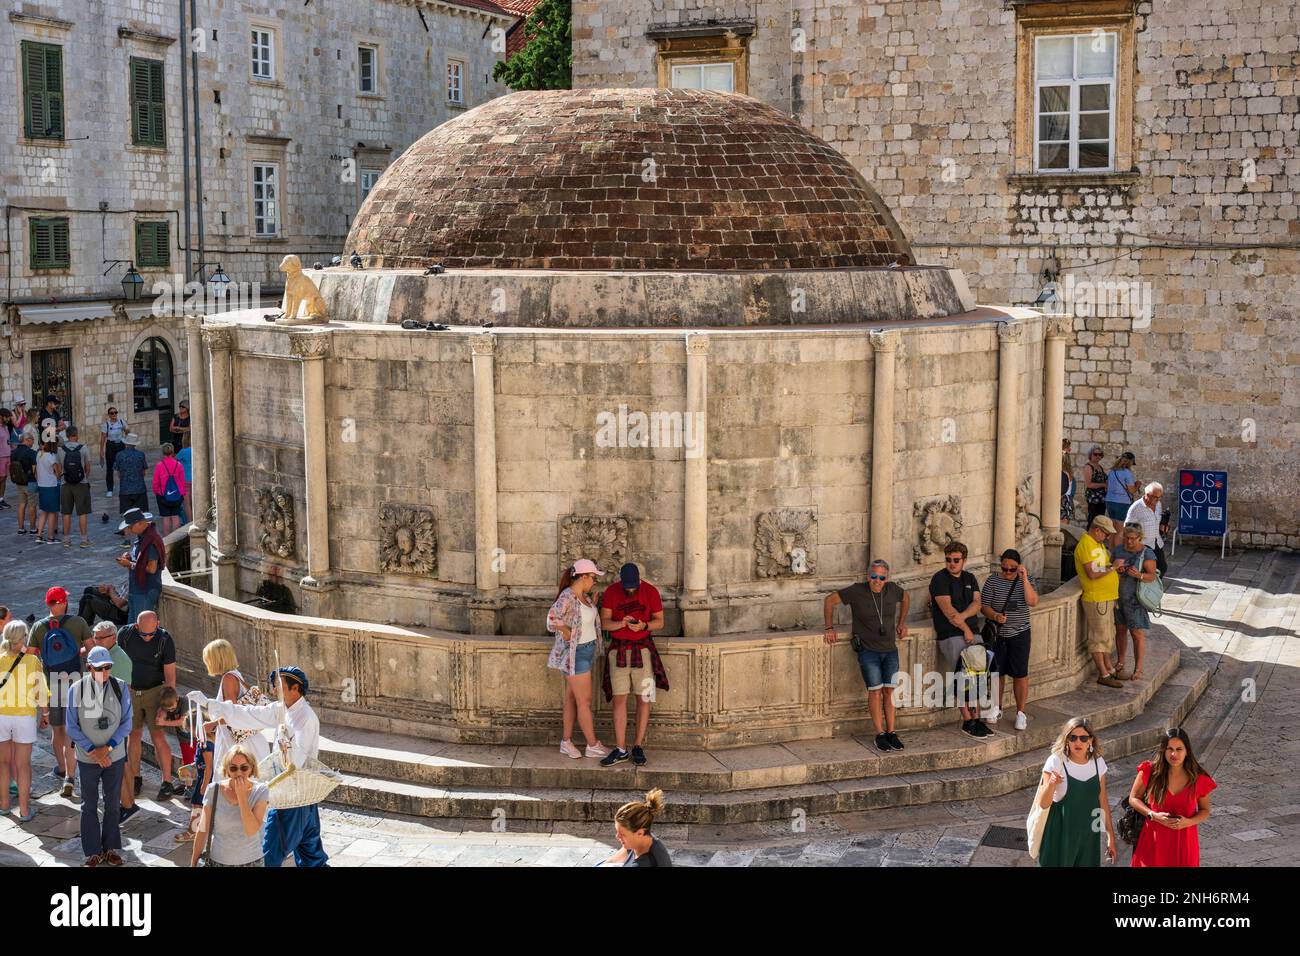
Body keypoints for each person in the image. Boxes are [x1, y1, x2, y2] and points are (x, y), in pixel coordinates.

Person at [200, 666, 330, 867]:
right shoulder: (281, 710)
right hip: (298, 798)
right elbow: (250, 714)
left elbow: (295, 762)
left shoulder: (306, 717)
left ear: (295, 688)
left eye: (279, 686)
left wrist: (286, 742)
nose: (274, 690)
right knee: (311, 854)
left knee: (269, 854)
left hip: (292, 797)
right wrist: (211, 705)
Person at [824, 558, 909, 751]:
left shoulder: (893, 589)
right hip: (868, 650)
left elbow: (906, 598)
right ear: (867, 576)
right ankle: (879, 734)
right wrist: (829, 627)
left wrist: (901, 623)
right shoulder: (857, 590)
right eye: (873, 576)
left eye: (881, 577)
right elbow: (829, 600)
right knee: (875, 690)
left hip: (889, 649)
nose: (877, 581)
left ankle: (892, 732)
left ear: (886, 578)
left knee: (889, 691)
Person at [66, 646, 133, 867]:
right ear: (89, 667)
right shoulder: (76, 689)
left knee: (113, 804)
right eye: (100, 668)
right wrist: (95, 751)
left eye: (108, 667)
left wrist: (108, 748)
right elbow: (71, 727)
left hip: (114, 756)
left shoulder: (120, 687)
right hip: (88, 758)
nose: (104, 672)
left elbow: (127, 724)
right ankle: (93, 851)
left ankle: (110, 847)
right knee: (89, 804)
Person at [598, 562, 667, 766]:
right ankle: (620, 749)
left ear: (638, 581)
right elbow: (604, 622)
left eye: (633, 586)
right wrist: (621, 623)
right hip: (618, 651)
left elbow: (660, 621)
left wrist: (644, 625)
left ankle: (637, 745)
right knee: (619, 699)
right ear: (621, 581)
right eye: (627, 586)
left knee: (644, 699)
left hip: (643, 651)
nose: (630, 589)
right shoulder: (611, 592)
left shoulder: (650, 591)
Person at [29, 586, 93, 798]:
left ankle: (62, 768)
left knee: (58, 730)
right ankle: (71, 775)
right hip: (75, 682)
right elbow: (92, 651)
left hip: (51, 683)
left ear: (48, 604)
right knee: (72, 730)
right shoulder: (78, 623)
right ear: (63, 602)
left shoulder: (38, 627)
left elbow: (30, 658)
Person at [546, 559, 610, 760]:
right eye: (593, 578)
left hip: (587, 652)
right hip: (576, 655)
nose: (594, 582)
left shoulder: (584, 597)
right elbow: (552, 618)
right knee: (585, 701)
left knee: (572, 699)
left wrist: (594, 605)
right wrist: (565, 631)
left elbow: (584, 619)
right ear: (583, 577)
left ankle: (566, 741)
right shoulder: (568, 596)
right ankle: (592, 745)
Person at [1035, 717, 1117, 867]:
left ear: (1090, 740)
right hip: (1060, 837)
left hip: (1089, 836)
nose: (1078, 742)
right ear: (1066, 740)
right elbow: (1044, 804)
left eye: (1083, 738)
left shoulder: (1099, 763)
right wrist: (1052, 783)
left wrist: (1110, 835)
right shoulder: (1055, 762)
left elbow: (1102, 801)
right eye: (1073, 738)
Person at [1128, 728, 1216, 868]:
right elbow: (1133, 798)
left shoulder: (1199, 778)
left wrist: (1188, 822)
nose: (1174, 754)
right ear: (1164, 750)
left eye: (1179, 749)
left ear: (1187, 751)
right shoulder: (1150, 771)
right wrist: (1153, 815)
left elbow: (1205, 810)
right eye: (1170, 749)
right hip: (1153, 843)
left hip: (1185, 845)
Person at [928, 542, 990, 738]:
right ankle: (967, 720)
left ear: (964, 560)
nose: (951, 564)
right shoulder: (939, 579)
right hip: (952, 634)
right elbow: (947, 610)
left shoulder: (970, 577)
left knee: (977, 677)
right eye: (948, 560)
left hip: (971, 631)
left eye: (956, 560)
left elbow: (977, 603)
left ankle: (977, 718)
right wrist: (965, 628)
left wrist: (962, 619)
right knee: (962, 678)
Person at [118, 610, 181, 800]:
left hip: (155, 691)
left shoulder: (164, 639)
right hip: (130, 690)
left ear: (158, 625)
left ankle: (167, 781)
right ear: (136, 627)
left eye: (151, 634)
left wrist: (167, 706)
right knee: (133, 735)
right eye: (143, 634)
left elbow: (170, 675)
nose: (147, 638)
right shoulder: (126, 635)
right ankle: (136, 777)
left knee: (158, 735)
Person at [980, 548, 1039, 731]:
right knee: (997, 673)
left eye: (1011, 569)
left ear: (1018, 567)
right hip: (999, 635)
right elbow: (984, 607)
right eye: (1004, 568)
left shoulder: (1024, 581)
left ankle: (1021, 713)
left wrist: (1024, 578)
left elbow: (1033, 601)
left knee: (1020, 674)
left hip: (1020, 633)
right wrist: (996, 616)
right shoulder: (992, 580)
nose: (1007, 572)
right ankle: (996, 707)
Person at [0, 620, 51, 822]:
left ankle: (4, 805)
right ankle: (24, 810)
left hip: (1, 715)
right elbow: (40, 693)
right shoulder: (32, 661)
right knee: (23, 765)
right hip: (24, 716)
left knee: (3, 763)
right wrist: (45, 715)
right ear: (23, 638)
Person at [200, 639, 271, 780]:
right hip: (246, 738)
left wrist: (211, 724)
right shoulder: (236, 674)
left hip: (237, 741)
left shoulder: (228, 679)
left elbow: (231, 714)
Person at [90, 621, 139, 822]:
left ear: (113, 637)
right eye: (95, 637)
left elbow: (123, 693)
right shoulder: (108, 656)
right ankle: (128, 804)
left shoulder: (119, 659)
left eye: (100, 638)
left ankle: (126, 805)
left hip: (113, 721)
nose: (96, 641)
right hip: (112, 720)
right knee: (122, 762)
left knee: (115, 765)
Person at [190, 743, 269, 867]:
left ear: (252, 768)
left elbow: (251, 830)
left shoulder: (261, 791)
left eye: (244, 768)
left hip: (252, 862)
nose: (239, 773)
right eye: (233, 768)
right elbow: (202, 829)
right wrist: (193, 863)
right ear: (226, 769)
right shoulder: (213, 790)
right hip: (217, 862)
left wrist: (242, 797)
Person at [1074, 516, 1124, 688]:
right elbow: (1092, 573)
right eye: (1105, 533)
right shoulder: (1086, 545)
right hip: (1096, 598)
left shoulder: (1098, 544)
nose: (1107, 537)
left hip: (1106, 597)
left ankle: (1109, 668)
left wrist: (1113, 567)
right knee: (1098, 638)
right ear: (1097, 530)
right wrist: (1113, 567)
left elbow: (1101, 566)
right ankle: (1103, 674)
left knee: (1107, 635)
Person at [1111, 523, 1158, 682]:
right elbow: (1111, 568)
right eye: (1127, 538)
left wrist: (1140, 575)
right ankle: (1120, 661)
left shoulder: (1147, 553)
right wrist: (1116, 569)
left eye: (1133, 539)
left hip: (1135, 600)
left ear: (1140, 538)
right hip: (1119, 597)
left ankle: (1138, 669)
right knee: (1120, 630)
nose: (1129, 542)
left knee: (1137, 633)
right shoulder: (1118, 550)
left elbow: (1152, 576)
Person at [598, 788, 672, 867]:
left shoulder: (645, 863)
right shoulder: (645, 839)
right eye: (617, 831)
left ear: (640, 832)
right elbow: (612, 860)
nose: (617, 836)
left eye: (622, 834)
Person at [116, 507, 165, 619]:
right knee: (132, 628)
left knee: (141, 626)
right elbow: (139, 559)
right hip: (136, 589)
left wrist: (129, 564)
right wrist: (129, 557)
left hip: (145, 591)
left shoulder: (151, 539)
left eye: (130, 527)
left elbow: (151, 568)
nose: (129, 530)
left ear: (140, 523)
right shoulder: (142, 537)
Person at [58, 425, 94, 549]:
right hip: (81, 484)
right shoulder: (83, 448)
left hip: (65, 484)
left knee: (66, 513)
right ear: (76, 435)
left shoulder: (60, 449)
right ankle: (84, 540)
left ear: (67, 436)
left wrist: (60, 477)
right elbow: (88, 467)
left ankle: (66, 540)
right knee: (82, 513)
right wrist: (85, 477)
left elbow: (58, 468)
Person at [1125, 482, 1168, 580]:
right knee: (1146, 569)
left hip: (1156, 541)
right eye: (1155, 497)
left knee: (1162, 567)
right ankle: (1145, 590)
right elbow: (1127, 527)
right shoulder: (1136, 508)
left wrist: (1163, 526)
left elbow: (1157, 520)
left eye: (1159, 497)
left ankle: (1153, 588)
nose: (1157, 500)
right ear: (1147, 495)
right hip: (1143, 544)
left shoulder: (1158, 504)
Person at [152, 443, 187, 535]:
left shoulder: (159, 466)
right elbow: (182, 481)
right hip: (177, 494)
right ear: (172, 452)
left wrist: (157, 492)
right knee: (175, 516)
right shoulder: (178, 465)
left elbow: (155, 482)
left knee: (166, 517)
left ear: (162, 453)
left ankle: (167, 540)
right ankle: (176, 539)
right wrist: (182, 493)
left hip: (163, 494)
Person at [113, 433, 149, 517]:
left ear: (126, 443)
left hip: (125, 490)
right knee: (141, 516)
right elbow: (143, 472)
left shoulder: (119, 455)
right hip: (139, 489)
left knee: (127, 517)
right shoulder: (141, 455)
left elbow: (118, 473)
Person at [98, 405, 130, 499]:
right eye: (112, 413)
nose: (114, 414)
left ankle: (124, 486)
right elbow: (103, 438)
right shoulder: (106, 424)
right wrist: (101, 451)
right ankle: (110, 489)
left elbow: (128, 431)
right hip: (111, 445)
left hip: (120, 444)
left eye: (115, 412)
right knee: (110, 468)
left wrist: (127, 430)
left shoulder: (121, 421)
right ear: (109, 415)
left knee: (123, 467)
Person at [34, 436, 61, 543]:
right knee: (52, 512)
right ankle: (50, 537)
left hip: (41, 485)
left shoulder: (39, 454)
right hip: (51, 486)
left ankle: (39, 535)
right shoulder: (52, 456)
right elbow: (58, 473)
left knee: (43, 511)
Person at [11, 431, 39, 534]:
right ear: (27, 440)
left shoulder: (14, 452)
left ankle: (21, 528)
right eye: (32, 440)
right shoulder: (31, 452)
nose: (33, 443)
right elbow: (34, 468)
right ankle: (33, 528)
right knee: (32, 506)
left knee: (22, 504)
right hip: (30, 482)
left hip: (19, 482)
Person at [1104, 451, 1138, 523]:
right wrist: (1137, 485)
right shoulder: (1127, 472)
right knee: (1120, 529)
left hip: (1110, 501)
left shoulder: (1112, 472)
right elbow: (1132, 490)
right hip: (1122, 502)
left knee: (1113, 527)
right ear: (1130, 462)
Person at [1081, 446, 1108, 528]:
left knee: (1100, 520)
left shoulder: (1099, 467)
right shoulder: (1088, 467)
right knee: (1092, 519)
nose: (1098, 456)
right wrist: (1103, 485)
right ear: (1090, 455)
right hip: (1093, 498)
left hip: (1102, 498)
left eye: (1100, 454)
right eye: (1095, 454)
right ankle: (1088, 537)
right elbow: (1089, 484)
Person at [175, 441, 193, 523]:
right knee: (194, 502)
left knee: (187, 504)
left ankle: (189, 522)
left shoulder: (183, 451)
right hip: (195, 478)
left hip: (185, 479)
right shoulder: (195, 449)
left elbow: (175, 460)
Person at [0, 407, 12, 510]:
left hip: (7, 455)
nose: (8, 419)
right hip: (0, 456)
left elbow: (7, 441)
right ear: (1, 417)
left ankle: (1, 499)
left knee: (4, 478)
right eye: (7, 417)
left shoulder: (6, 427)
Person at [1059, 439, 1074, 523]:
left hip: (1063, 501)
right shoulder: (1068, 472)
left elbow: (1062, 490)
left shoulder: (1064, 473)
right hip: (1067, 500)